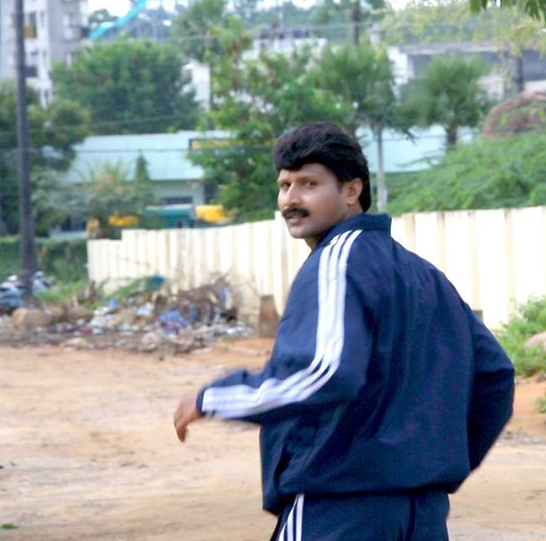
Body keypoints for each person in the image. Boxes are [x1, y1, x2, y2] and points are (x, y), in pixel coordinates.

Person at [172, 122, 515, 540]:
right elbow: (495, 376)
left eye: (309, 184)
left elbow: (325, 373)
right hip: (421, 513)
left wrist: (214, 398)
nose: (291, 200)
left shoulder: (336, 263)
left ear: (352, 191)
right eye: (284, 185)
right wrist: (431, 464)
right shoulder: (423, 275)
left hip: (338, 508)